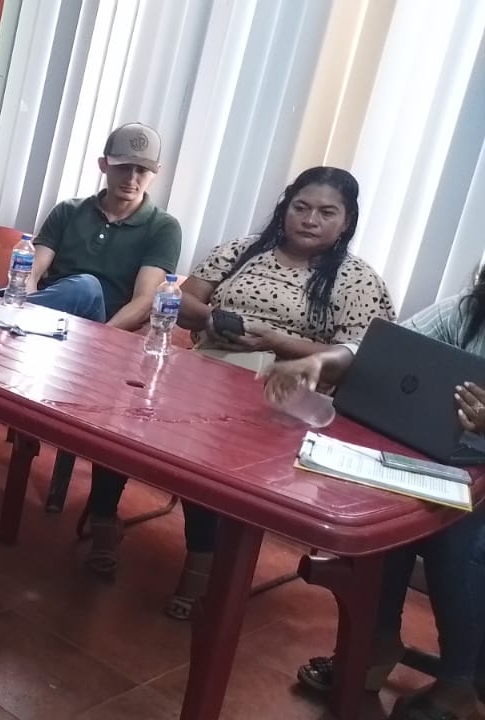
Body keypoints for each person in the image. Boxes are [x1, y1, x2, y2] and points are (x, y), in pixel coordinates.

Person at [0, 123, 183, 580]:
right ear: (103, 165)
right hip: (45, 328)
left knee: (82, 287)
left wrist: (97, 339)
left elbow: (145, 300)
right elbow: (31, 271)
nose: (132, 178)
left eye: (142, 171)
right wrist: (23, 303)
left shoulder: (162, 227)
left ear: (155, 174)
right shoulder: (69, 212)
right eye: (123, 168)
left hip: (104, 339)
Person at [161, 166, 395, 619]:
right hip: (205, 371)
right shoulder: (242, 251)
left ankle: (204, 558)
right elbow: (183, 300)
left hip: (285, 393)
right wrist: (213, 319)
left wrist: (274, 340)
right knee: (136, 409)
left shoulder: (357, 280)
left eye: (326, 212)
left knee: (213, 448)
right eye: (301, 207)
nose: (310, 220)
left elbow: (358, 360)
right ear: (285, 208)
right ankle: (107, 517)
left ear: (346, 222)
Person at [263, 271, 485, 720]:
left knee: (456, 533)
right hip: (457, 462)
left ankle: (458, 684)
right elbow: (387, 350)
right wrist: (321, 362)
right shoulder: (470, 309)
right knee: (392, 505)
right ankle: (375, 642)